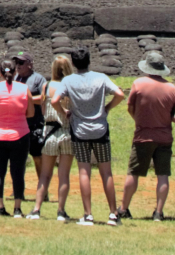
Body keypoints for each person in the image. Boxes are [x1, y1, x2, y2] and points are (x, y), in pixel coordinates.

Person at [52, 47, 125, 226]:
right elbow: (120, 94)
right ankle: (113, 214)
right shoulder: (101, 77)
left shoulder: (69, 80)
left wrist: (65, 112)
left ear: (74, 63)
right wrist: (107, 108)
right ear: (89, 61)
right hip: (100, 129)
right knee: (106, 172)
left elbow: (54, 100)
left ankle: (88, 214)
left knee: (84, 172)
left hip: (80, 130)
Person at [120, 49, 175, 220]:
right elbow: (172, 113)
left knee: (133, 173)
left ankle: (123, 208)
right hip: (164, 136)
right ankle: (159, 212)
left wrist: (140, 121)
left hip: (143, 135)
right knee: (163, 176)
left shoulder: (138, 84)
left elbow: (131, 108)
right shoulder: (171, 88)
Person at [0, 61, 33, 216]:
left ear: (0, 73)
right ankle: (17, 209)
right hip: (19, 135)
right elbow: (30, 113)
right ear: (15, 72)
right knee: (18, 172)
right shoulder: (24, 89)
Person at [30, 54, 74, 221]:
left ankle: (36, 209)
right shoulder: (70, 87)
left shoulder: (46, 86)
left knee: (45, 174)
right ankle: (61, 211)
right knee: (64, 175)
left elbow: (42, 111)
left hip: (49, 132)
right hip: (67, 132)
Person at [13, 53, 49, 206]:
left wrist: (25, 99)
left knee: (37, 158)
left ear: (30, 64)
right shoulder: (15, 78)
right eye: (17, 62)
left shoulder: (38, 79)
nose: (18, 65)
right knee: (17, 159)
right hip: (18, 124)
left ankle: (43, 191)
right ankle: (18, 190)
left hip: (35, 124)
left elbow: (43, 98)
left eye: (21, 62)